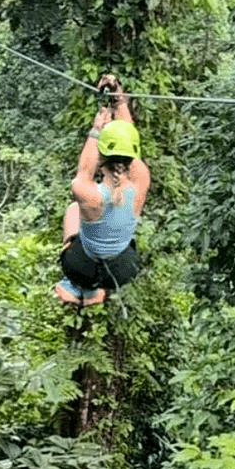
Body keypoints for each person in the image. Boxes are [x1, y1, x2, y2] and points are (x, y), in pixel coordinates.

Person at [55, 75, 151, 307]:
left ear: (101, 161)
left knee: (73, 209)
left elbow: (84, 171)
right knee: (120, 243)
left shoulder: (89, 194)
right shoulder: (140, 183)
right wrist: (119, 100)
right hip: (121, 272)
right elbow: (127, 138)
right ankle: (95, 292)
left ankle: (79, 289)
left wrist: (97, 130)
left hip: (80, 269)